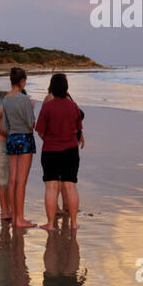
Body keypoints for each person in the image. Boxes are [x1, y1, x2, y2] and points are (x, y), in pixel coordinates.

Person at [35, 72, 84, 230]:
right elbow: (78, 128)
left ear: (52, 87)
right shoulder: (73, 106)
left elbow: (40, 130)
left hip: (50, 150)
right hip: (71, 150)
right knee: (71, 186)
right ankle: (74, 223)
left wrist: (49, 140)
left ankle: (50, 224)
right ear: (66, 87)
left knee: (51, 187)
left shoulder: (48, 106)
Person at [2, 67, 38, 228]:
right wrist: (31, 108)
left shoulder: (6, 99)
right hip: (24, 138)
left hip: (11, 138)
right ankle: (19, 219)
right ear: (22, 81)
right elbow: (31, 125)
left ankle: (15, 216)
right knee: (21, 182)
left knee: (13, 180)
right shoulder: (25, 100)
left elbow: (6, 125)